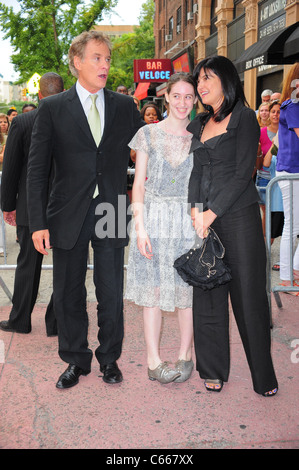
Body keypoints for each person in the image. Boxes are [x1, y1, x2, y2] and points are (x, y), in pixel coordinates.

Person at [27, 30, 144, 389]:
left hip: (110, 208)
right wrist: (37, 223)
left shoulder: (125, 107)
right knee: (68, 290)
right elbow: (37, 171)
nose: (105, 64)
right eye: (97, 57)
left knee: (110, 289)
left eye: (108, 58)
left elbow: (148, 150)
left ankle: (110, 358)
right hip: (66, 214)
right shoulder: (51, 108)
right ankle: (75, 359)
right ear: (77, 62)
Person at [188, 55, 278, 397]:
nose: (201, 86)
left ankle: (263, 377)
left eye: (207, 78)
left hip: (238, 218)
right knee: (208, 294)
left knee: (249, 297)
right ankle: (212, 370)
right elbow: (196, 172)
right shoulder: (198, 123)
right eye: (198, 81)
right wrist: (195, 212)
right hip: (204, 222)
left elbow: (244, 174)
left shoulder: (244, 118)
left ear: (226, 80)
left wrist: (211, 213)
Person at [125, 72, 197, 384]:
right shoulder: (147, 134)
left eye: (189, 97)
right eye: (177, 95)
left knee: (187, 289)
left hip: (186, 221)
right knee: (152, 290)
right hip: (152, 218)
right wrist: (140, 229)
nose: (182, 102)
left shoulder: (200, 136)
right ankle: (153, 361)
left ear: (195, 100)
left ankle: (185, 354)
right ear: (165, 96)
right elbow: (138, 185)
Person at [0, 72, 64, 336]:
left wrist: (7, 205)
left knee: (28, 264)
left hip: (29, 205)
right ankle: (56, 323)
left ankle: (20, 320)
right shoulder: (73, 121)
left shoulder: (24, 122)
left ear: (39, 95)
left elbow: (11, 167)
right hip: (64, 206)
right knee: (64, 267)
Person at [276, 63, 299, 292]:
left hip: (294, 170)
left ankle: (293, 271)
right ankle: (285, 277)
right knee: (291, 226)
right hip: (291, 171)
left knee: (295, 225)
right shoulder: (292, 105)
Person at [255, 101, 282, 238]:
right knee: (267, 213)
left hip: (282, 178)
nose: (276, 114)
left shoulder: (289, 132)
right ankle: (265, 247)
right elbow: (259, 159)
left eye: (279, 111)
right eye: (273, 112)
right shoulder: (261, 132)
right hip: (264, 179)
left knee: (279, 215)